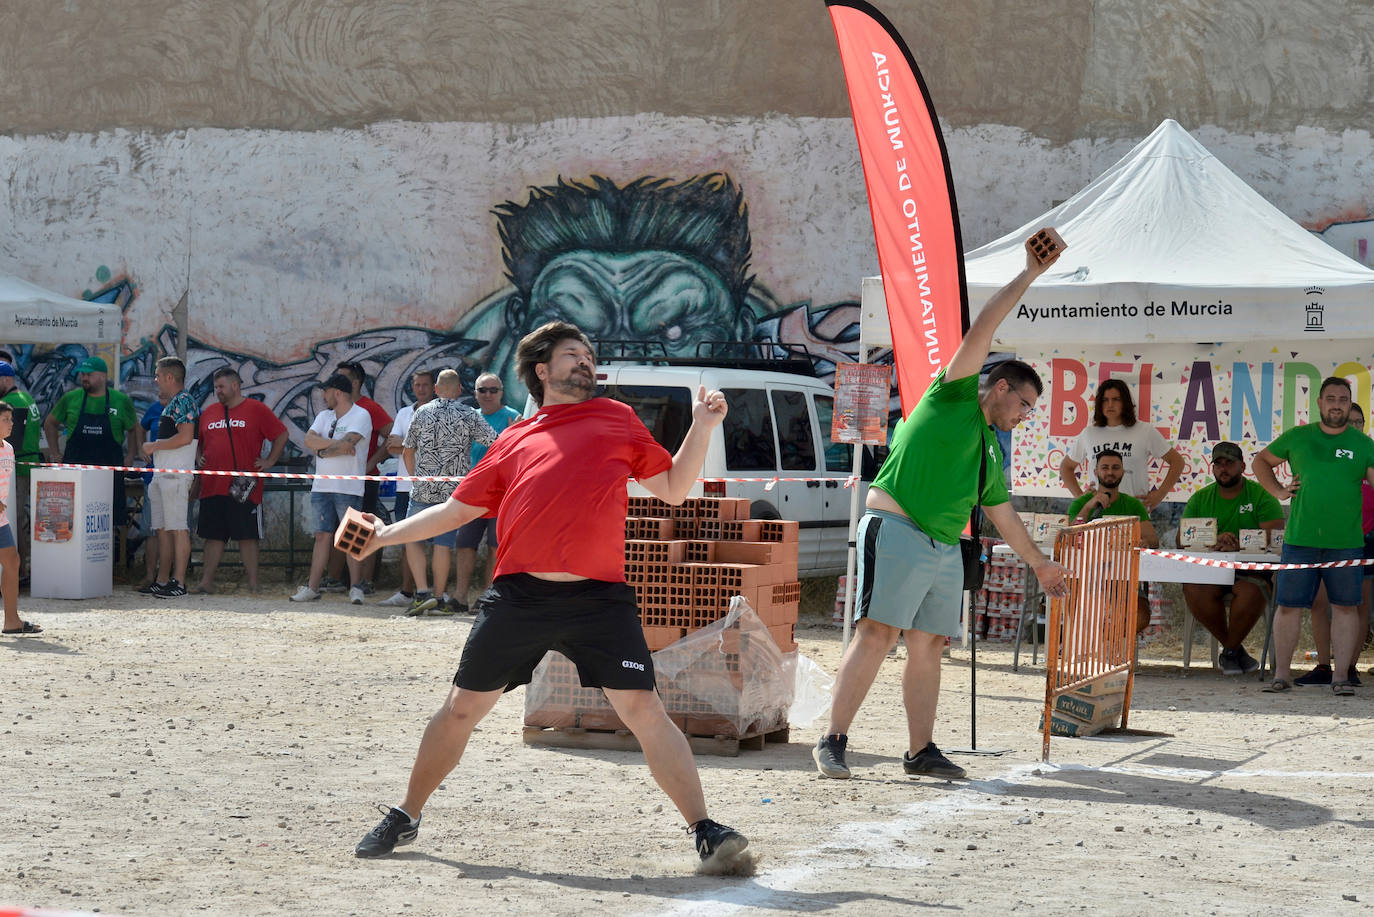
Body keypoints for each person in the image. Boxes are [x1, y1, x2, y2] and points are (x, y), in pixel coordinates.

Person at [349, 321, 748, 868]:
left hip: (599, 600)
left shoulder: (618, 419)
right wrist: (384, 535)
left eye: (588, 354)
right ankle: (406, 813)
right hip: (519, 599)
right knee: (462, 708)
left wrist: (702, 426)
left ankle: (705, 829)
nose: (585, 361)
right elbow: (458, 510)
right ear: (542, 370)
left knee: (645, 710)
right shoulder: (515, 437)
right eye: (571, 354)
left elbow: (675, 489)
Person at [813, 232, 1071, 782]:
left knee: (929, 643)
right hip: (898, 527)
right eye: (1024, 403)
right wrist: (1028, 273)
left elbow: (1004, 515)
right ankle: (832, 740)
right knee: (876, 634)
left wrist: (1041, 564)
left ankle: (920, 751)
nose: (1025, 415)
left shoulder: (987, 447)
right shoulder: (950, 395)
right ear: (999, 387)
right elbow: (984, 328)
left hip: (945, 548)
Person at [1253, 377, 1374, 695]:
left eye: (1343, 399)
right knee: (1289, 607)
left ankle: (1341, 678)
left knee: (1346, 608)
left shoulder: (1364, 445)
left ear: (1350, 405)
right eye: (1331, 398)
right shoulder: (1298, 436)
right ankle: (1281, 676)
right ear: (1319, 403)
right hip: (1299, 538)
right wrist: (1278, 490)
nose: (1337, 404)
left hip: (1346, 541)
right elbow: (1261, 461)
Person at [1179, 441, 1285, 674]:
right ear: (1213, 468)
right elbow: (1181, 539)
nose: (1224, 468)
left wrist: (1239, 542)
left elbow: (1276, 531)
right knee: (1193, 589)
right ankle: (1233, 650)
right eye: (1219, 464)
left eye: (1230, 463)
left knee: (1251, 592)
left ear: (1242, 466)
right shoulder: (1200, 498)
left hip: (1251, 571)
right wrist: (1214, 540)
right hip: (1210, 570)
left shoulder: (1260, 495)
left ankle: (1229, 651)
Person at [399, 369, 496, 617]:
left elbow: (407, 450)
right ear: (460, 391)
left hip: (423, 489)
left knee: (412, 538)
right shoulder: (467, 414)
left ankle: (421, 593)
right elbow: (495, 444)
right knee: (443, 545)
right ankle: (439, 598)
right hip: (453, 492)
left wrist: (414, 479)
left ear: (436, 390)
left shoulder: (421, 412)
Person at [1296, 402, 1372, 686]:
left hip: (1363, 540)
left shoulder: (1367, 453)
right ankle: (1324, 666)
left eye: (1359, 422)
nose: (1353, 426)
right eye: (1349, 421)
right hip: (1325, 539)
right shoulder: (1325, 455)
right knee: (1319, 602)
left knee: (1356, 605)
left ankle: (1349, 667)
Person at [194, 367, 289, 594]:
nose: (217, 391)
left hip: (243, 487)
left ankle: (254, 584)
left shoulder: (256, 409)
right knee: (213, 535)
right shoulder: (208, 412)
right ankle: (206, 582)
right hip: (212, 485)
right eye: (216, 387)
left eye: (221, 387)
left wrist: (269, 461)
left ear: (235, 386)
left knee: (247, 536)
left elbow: (281, 434)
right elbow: (198, 442)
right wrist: (198, 457)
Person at [290, 373, 371, 604]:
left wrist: (322, 449)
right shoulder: (324, 416)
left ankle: (356, 588)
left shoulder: (361, 415)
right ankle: (313, 587)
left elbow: (349, 443)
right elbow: (309, 440)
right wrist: (335, 446)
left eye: (325, 392)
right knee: (321, 536)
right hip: (322, 485)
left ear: (337, 392)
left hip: (348, 486)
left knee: (352, 537)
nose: (323, 396)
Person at [43, 356, 140, 549]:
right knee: (73, 514)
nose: (84, 378)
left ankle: (105, 560)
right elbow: (50, 424)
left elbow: (134, 428)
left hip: (109, 470)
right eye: (83, 374)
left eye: (89, 374)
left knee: (108, 517)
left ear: (103, 376)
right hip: (75, 469)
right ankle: (70, 553)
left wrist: (130, 456)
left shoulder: (120, 401)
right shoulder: (71, 398)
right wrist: (55, 453)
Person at [1068, 449, 1159, 634]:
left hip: (1125, 580)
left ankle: (1103, 643)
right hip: (1087, 578)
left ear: (1123, 472)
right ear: (1096, 472)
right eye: (1105, 467)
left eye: (1116, 468)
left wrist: (1142, 542)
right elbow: (1069, 537)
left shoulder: (1134, 505)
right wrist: (1089, 506)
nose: (1110, 472)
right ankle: (1084, 642)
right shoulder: (1081, 504)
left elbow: (1153, 540)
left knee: (1141, 617)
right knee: (1071, 600)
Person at [451, 371, 521, 612]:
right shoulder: (470, 418)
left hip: (502, 496)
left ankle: (487, 596)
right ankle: (460, 597)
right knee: (464, 545)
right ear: (475, 393)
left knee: (495, 547)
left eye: (493, 390)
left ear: (502, 393)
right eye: (483, 390)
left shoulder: (515, 419)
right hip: (471, 493)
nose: (488, 395)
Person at [1060, 378, 1185, 509]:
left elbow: (1177, 461)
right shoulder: (1089, 433)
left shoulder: (1144, 430)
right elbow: (1066, 467)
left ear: (1125, 402)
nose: (1110, 404)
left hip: (1134, 512)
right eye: (1105, 400)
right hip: (1097, 514)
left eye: (1115, 399)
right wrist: (1081, 498)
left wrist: (1159, 495)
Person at [325, 360, 392, 595]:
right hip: (337, 480)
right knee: (337, 528)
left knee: (363, 529)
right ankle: (333, 579)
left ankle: (365, 581)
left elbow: (392, 437)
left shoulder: (369, 408)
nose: (335, 383)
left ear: (355, 382)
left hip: (365, 481)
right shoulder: (335, 409)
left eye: (341, 377)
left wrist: (371, 462)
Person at [138, 357, 199, 598]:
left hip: (175, 475)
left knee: (178, 529)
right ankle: (162, 580)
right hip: (162, 475)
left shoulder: (184, 401)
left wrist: (154, 446)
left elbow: (185, 437)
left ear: (169, 378)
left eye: (158, 375)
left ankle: (179, 582)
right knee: (162, 529)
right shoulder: (173, 403)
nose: (155, 380)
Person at [376, 369, 436, 607]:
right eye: (417, 385)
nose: (420, 389)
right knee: (408, 540)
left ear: (434, 388)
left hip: (433, 487)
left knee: (438, 543)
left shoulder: (439, 412)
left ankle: (433, 591)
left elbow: (436, 447)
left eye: (425, 385)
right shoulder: (403, 413)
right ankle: (407, 592)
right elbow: (391, 447)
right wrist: (413, 446)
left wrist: (407, 445)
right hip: (405, 488)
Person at [0, 403, 40, 636]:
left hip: (1, 518)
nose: (11, 423)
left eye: (11, 419)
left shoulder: (9, 449)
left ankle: (12, 621)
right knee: (12, 562)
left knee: (13, 562)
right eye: (5, 419)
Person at [0, 361, 41, 577]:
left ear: (6, 379)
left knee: (13, 521)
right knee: (20, 522)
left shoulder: (9, 403)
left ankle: (20, 571)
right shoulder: (27, 397)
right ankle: (22, 570)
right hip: (28, 464)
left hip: (16, 469)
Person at [134, 391, 166, 592]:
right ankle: (150, 576)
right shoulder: (154, 408)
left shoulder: (188, 407)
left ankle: (171, 577)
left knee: (174, 530)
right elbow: (140, 427)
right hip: (152, 477)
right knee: (152, 530)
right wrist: (140, 448)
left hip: (177, 477)